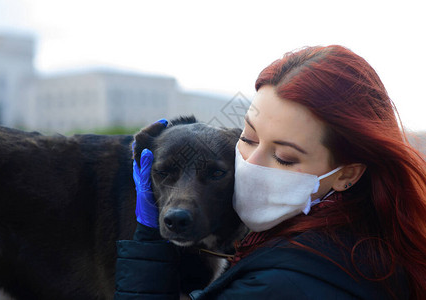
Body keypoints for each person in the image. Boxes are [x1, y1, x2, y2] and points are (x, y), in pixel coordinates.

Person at [114, 45, 426, 299]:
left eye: (285, 157)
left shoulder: (276, 285)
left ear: (347, 174)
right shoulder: (379, 237)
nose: (250, 164)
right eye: (247, 139)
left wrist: (147, 245)